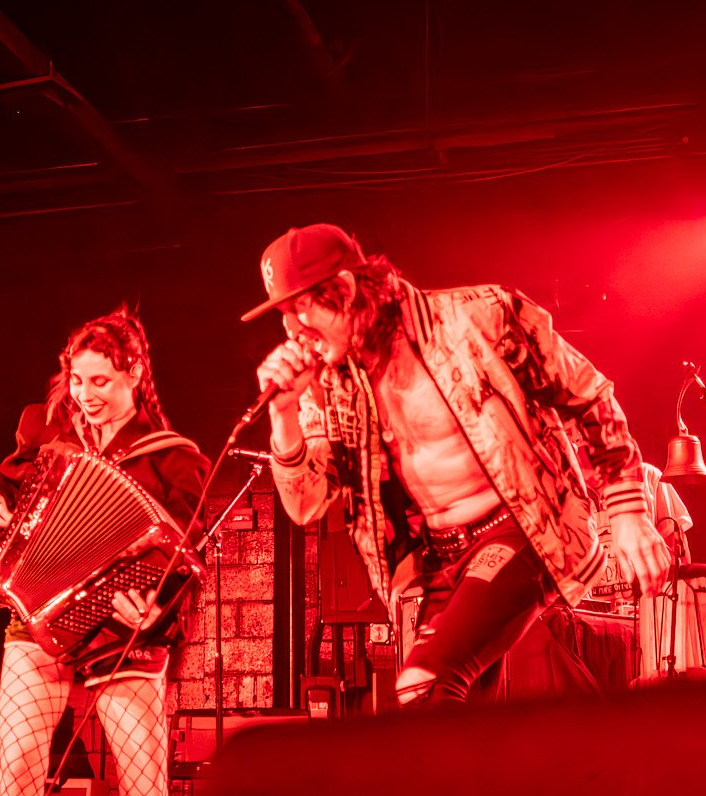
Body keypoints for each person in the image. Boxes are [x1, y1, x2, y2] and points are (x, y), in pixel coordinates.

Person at [245, 224, 672, 705]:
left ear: (343, 292)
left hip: (522, 528)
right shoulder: (327, 384)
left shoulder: (477, 317)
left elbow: (589, 395)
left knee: (424, 682)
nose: (291, 331)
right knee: (435, 709)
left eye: (300, 308)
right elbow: (306, 504)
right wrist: (283, 413)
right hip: (440, 561)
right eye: (284, 314)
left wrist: (630, 510)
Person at [0, 306, 210, 796]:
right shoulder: (53, 436)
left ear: (134, 376)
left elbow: (186, 556)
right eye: (77, 380)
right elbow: (2, 480)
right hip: (37, 620)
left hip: (122, 635)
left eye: (100, 380)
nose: (85, 393)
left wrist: (158, 610)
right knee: (17, 770)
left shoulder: (174, 460)